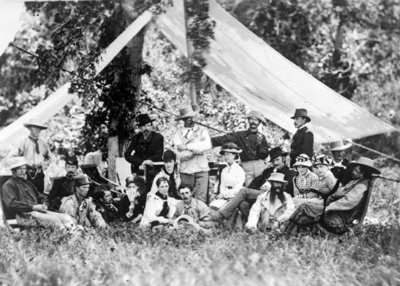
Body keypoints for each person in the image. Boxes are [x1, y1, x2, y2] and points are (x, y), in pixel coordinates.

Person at [285, 157, 379, 235]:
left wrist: (328, 207)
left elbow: (348, 201)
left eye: (356, 170)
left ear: (363, 173)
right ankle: (289, 235)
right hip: (335, 213)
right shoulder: (355, 182)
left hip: (340, 220)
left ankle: (285, 233)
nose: (352, 172)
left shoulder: (362, 186)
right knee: (303, 217)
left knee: (304, 207)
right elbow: (339, 193)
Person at [210, 147, 295, 224]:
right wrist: (249, 192)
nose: (275, 163)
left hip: (276, 196)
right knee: (243, 204)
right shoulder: (268, 171)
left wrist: (270, 188)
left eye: (277, 160)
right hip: (262, 195)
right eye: (273, 161)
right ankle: (256, 225)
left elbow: (287, 189)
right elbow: (254, 183)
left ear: (283, 159)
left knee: (243, 191)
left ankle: (221, 215)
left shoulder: (289, 173)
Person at [1, 157, 76, 230]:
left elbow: (40, 196)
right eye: (19, 169)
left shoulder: (28, 183)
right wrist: (33, 207)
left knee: (66, 218)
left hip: (38, 212)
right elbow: (11, 204)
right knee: (54, 221)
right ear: (13, 170)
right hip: (23, 216)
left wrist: (45, 204)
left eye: (24, 168)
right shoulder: (9, 185)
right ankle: (65, 238)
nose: (22, 171)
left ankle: (75, 236)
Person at [211, 110, 269, 186]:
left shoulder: (262, 137)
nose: (253, 122)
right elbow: (224, 139)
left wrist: (260, 143)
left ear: (259, 122)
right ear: (248, 120)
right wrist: (208, 141)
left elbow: (265, 155)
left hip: (260, 167)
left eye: (256, 120)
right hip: (247, 168)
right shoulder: (240, 135)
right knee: (250, 191)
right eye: (251, 119)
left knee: (263, 191)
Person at [173, 106, 212, 203]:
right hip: (186, 171)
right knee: (186, 198)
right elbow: (179, 153)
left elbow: (207, 146)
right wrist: (198, 150)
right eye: (187, 118)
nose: (191, 120)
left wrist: (187, 147)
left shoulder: (203, 131)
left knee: (201, 199)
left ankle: (201, 217)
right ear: (183, 120)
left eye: (192, 117)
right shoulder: (178, 134)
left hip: (201, 170)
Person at [10, 119, 51, 193]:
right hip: (26, 174)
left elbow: (49, 157)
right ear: (30, 128)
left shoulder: (43, 143)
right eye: (35, 128)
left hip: (39, 174)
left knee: (39, 194)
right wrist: (27, 164)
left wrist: (44, 164)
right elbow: (12, 157)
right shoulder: (22, 142)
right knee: (28, 196)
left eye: (39, 128)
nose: (38, 130)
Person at [210, 142, 245, 209]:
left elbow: (238, 188)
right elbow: (222, 185)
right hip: (224, 197)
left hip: (235, 197)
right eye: (225, 155)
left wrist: (226, 194)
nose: (226, 157)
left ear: (234, 155)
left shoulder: (239, 170)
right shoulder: (224, 170)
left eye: (228, 155)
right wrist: (222, 194)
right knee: (212, 207)